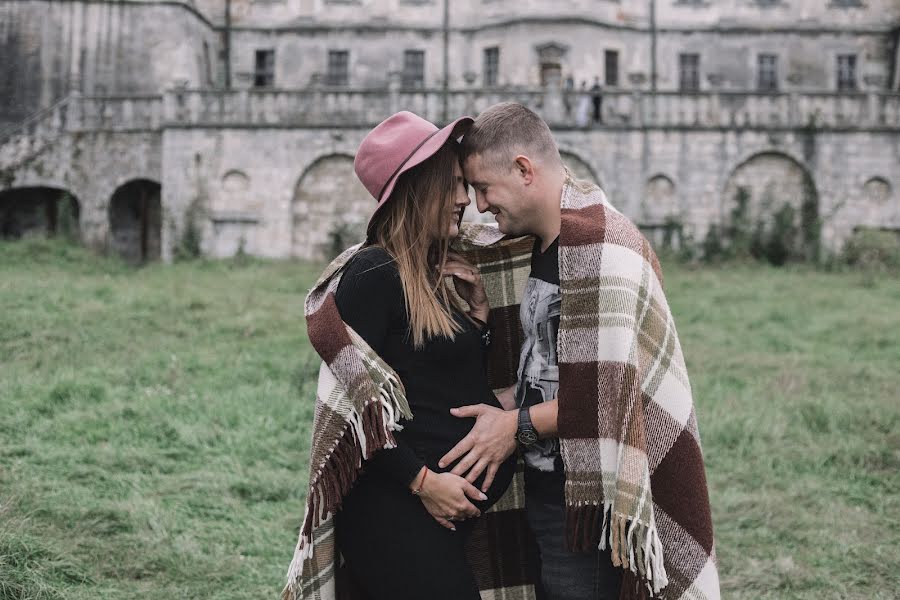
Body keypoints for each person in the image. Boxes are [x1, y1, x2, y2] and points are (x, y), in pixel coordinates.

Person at [443, 102, 720, 600]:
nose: (480, 206)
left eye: (483, 188)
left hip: (592, 501)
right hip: (558, 491)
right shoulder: (548, 242)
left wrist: (516, 426)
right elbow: (551, 367)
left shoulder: (600, 248)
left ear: (524, 169)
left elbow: (612, 399)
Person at [283, 111, 517, 600]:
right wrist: (422, 481)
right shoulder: (373, 275)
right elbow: (360, 410)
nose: (463, 200)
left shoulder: (432, 275)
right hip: (393, 513)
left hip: (432, 517)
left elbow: (433, 381)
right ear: (415, 188)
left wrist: (477, 322)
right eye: (452, 184)